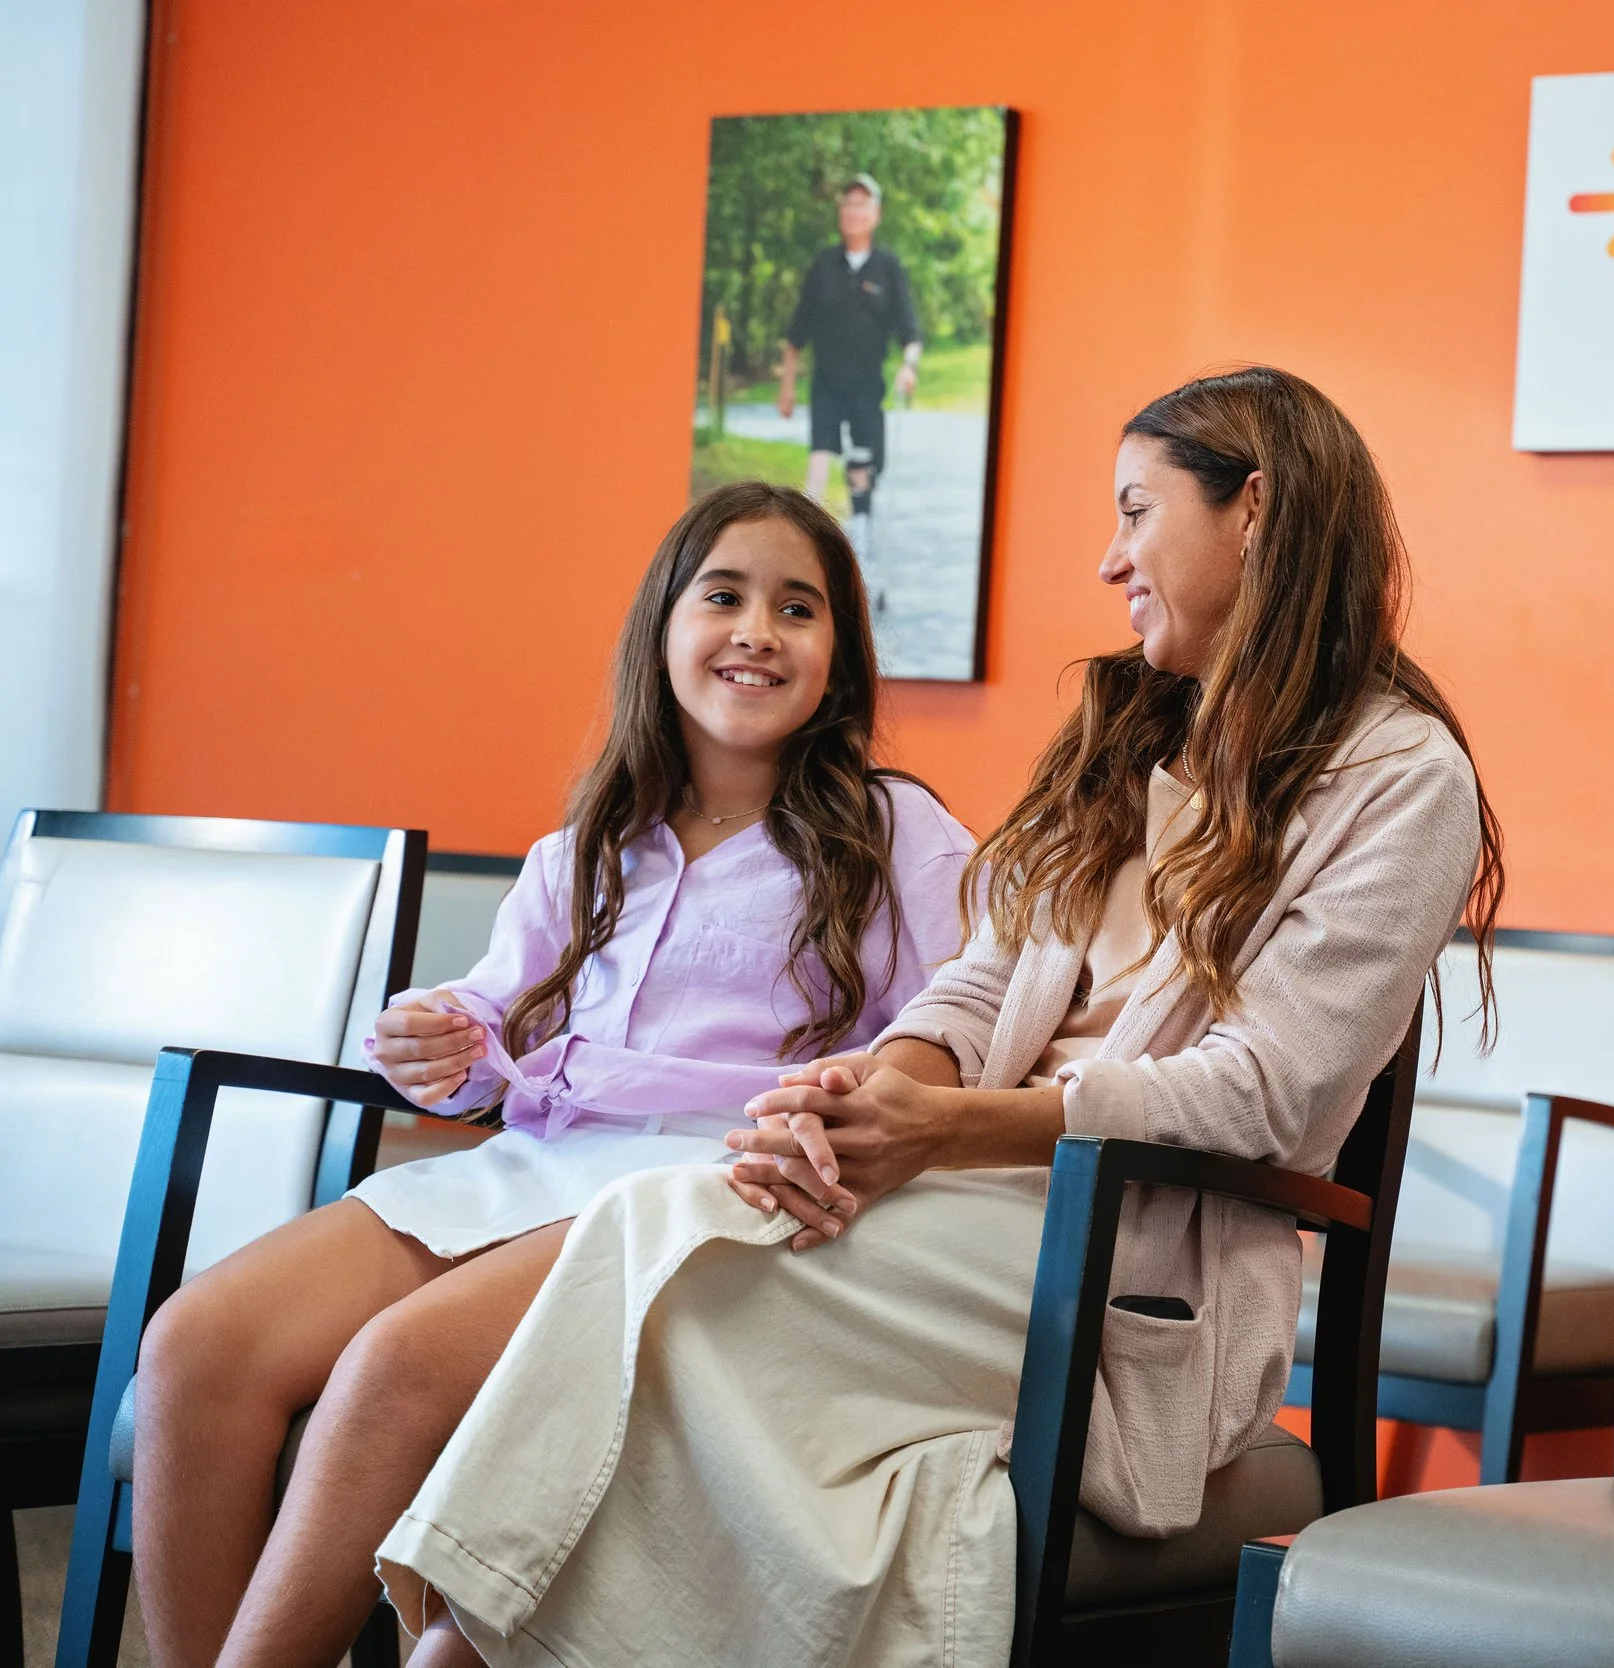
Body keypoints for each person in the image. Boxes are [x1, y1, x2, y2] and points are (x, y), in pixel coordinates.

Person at [347, 365, 1503, 1668]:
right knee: (670, 1269)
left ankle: (459, 1641)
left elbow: (1262, 1097)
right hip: (965, 1197)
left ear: (1256, 509)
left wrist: (943, 1130)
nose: (1109, 557)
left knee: (666, 1255)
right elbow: (977, 982)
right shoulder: (1127, 733)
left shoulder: (1403, 779)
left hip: (1127, 1256)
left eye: (1136, 512)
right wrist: (875, 1091)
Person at [130, 481, 976, 1668]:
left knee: (391, 1368)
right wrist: (440, 1040)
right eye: (723, 597)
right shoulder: (583, 847)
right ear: (662, 629)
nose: (757, 631)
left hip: (707, 1199)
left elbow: (960, 1038)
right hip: (535, 1167)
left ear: (837, 661)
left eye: (799, 608)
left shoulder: (902, 836)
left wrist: (855, 1111)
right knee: (191, 1347)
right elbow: (491, 1017)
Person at [777, 172, 922, 590]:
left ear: (875, 214)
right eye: (848, 204)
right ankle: (804, 547)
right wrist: (787, 387)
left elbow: (910, 332)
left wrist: (909, 366)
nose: (853, 212)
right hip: (826, 384)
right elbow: (796, 334)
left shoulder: (888, 268)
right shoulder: (824, 266)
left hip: (867, 387)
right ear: (840, 213)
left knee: (862, 465)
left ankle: (861, 549)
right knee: (820, 459)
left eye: (862, 205)